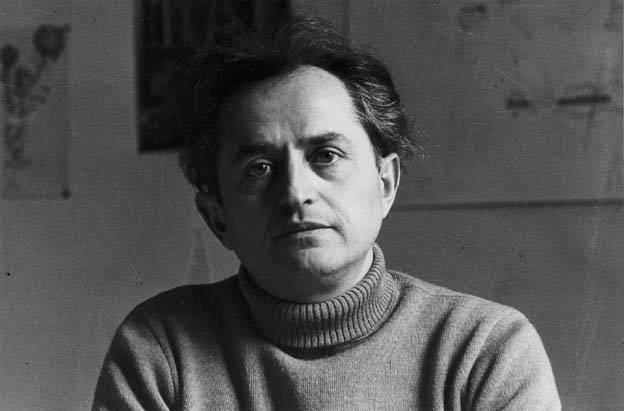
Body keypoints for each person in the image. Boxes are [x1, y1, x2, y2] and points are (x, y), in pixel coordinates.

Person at [92, 17, 560, 410]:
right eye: (259, 168)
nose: (296, 193)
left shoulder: (485, 349)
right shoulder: (160, 348)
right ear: (217, 217)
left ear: (385, 183)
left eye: (326, 156)